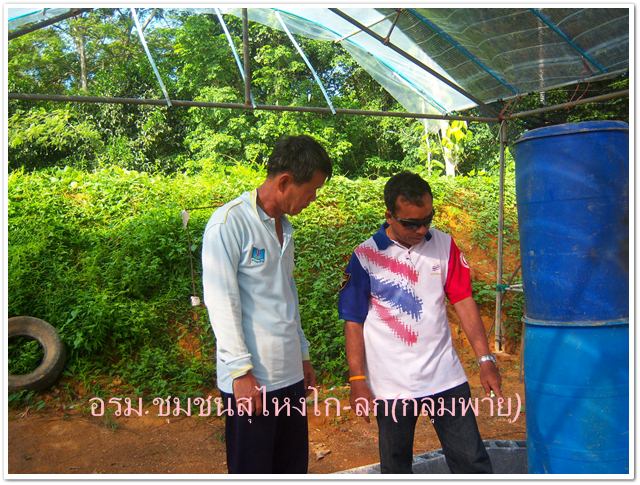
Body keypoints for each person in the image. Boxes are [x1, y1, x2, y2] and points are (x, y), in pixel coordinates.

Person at [338, 171, 502, 474]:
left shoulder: (444, 246)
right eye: (411, 223)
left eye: (428, 219)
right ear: (389, 216)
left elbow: (464, 300)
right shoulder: (365, 257)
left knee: (472, 461)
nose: (422, 229)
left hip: (445, 377)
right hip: (391, 385)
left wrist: (485, 358)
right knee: (396, 467)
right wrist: (357, 379)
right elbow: (353, 322)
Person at [201, 135, 332, 474]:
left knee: (291, 468)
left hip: (289, 374)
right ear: (285, 181)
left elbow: (287, 294)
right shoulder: (230, 224)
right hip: (253, 380)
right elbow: (221, 302)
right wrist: (241, 373)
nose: (313, 199)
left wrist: (302, 354)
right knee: (254, 470)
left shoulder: (284, 228)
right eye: (312, 190)